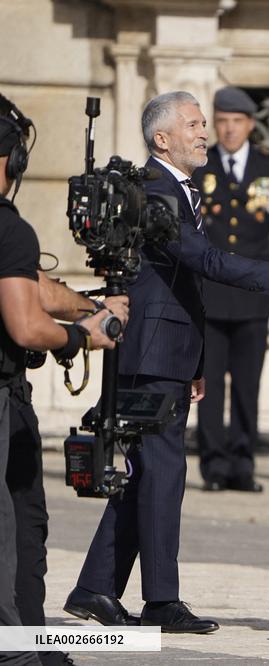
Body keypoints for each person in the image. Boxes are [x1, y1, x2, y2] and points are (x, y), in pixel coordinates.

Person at [64, 91, 269, 634]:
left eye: (202, 124)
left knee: (147, 474)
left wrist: (197, 359)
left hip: (166, 350)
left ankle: (96, 588)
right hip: (149, 352)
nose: (203, 133)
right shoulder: (155, 191)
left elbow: (184, 285)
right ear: (161, 138)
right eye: (192, 124)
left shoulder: (176, 189)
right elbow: (205, 262)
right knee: (163, 474)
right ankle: (161, 602)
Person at [0, 92, 119, 666]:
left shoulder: (9, 238)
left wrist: (85, 306)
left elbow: (30, 286)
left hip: (10, 405)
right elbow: (25, 323)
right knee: (8, 539)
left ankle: (35, 646)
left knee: (25, 525)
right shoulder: (8, 227)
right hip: (0, 401)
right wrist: (82, 338)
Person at [194, 86, 269, 493]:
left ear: (250, 124)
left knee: (248, 386)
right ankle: (214, 467)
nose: (229, 129)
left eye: (236, 122)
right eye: (221, 122)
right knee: (209, 385)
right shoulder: (200, 170)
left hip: (254, 299)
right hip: (211, 297)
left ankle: (243, 464)